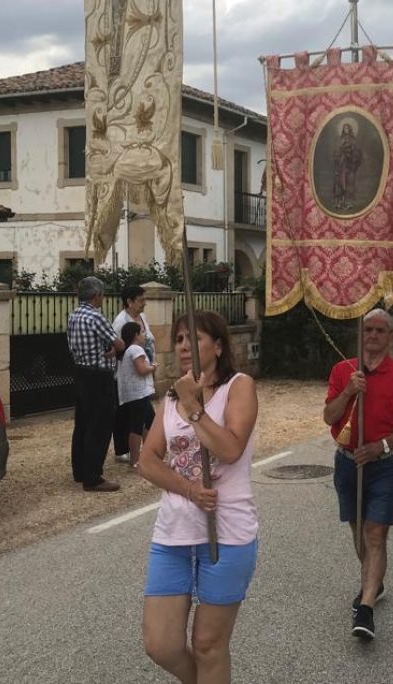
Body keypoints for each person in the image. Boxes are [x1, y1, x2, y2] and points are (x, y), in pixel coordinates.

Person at [139, 311, 258, 684]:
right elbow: (146, 460)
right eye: (179, 339)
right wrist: (190, 489)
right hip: (174, 534)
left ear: (219, 346)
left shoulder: (238, 386)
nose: (185, 345)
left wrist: (194, 407)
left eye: (195, 337)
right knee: (161, 645)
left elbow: (230, 449)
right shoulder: (170, 399)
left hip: (226, 534)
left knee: (208, 645)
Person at [323, 309, 393, 640]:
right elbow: (329, 416)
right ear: (361, 332)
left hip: (385, 464)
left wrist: (381, 445)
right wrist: (350, 391)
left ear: (390, 337)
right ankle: (374, 583)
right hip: (347, 461)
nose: (373, 335)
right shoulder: (343, 370)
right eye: (368, 329)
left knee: (375, 533)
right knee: (358, 531)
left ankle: (365, 608)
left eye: (381, 330)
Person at [67, 276, 124, 492]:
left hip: (81, 372)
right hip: (99, 376)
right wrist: (111, 350)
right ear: (96, 295)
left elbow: (73, 345)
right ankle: (93, 477)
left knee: (82, 423)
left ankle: (80, 470)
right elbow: (118, 343)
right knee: (99, 426)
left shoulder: (74, 315)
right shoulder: (96, 316)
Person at [113, 285, 156, 463]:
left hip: (143, 373)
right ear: (129, 302)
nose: (144, 304)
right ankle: (128, 452)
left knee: (144, 417)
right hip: (131, 377)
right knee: (131, 418)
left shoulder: (142, 317)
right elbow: (118, 348)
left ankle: (148, 452)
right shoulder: (120, 322)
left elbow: (150, 337)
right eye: (140, 300)